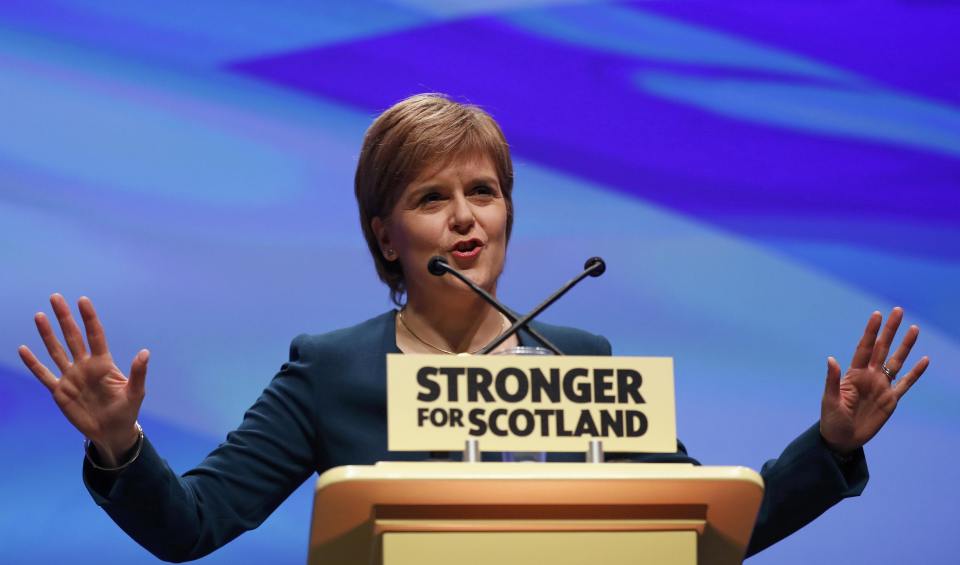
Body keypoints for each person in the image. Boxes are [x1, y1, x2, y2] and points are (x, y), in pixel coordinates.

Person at [17, 94, 929, 562]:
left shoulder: (581, 364)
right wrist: (121, 446)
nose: (466, 219)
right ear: (385, 232)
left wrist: (832, 444)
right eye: (431, 198)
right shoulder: (331, 370)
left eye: (483, 193)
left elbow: (707, 528)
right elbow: (194, 524)